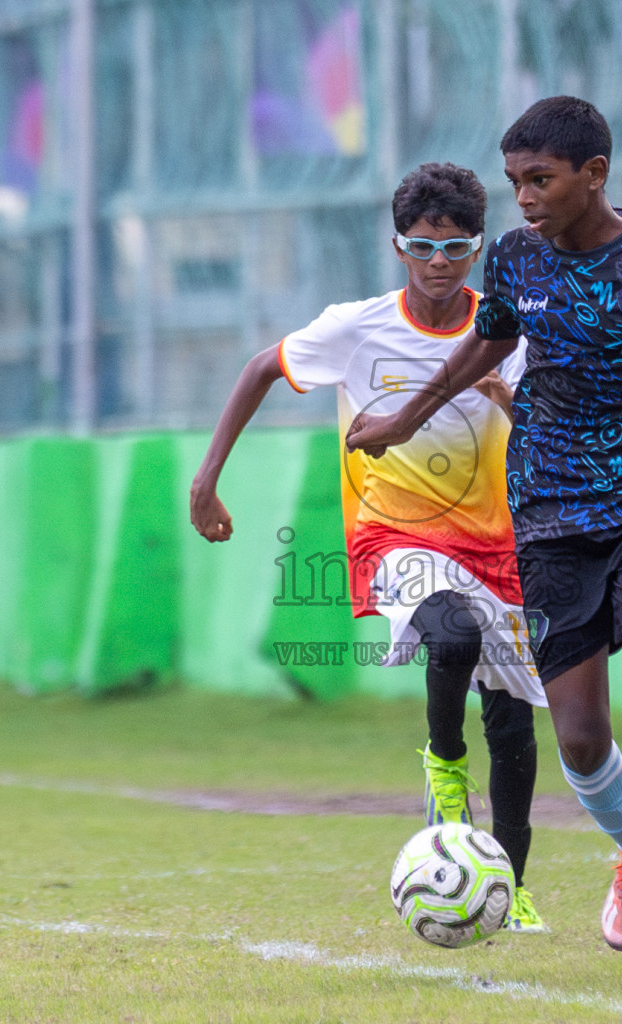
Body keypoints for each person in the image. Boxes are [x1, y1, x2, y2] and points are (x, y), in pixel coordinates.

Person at [347, 96, 622, 980]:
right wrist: (406, 416)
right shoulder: (514, 257)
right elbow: (489, 340)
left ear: (595, 174)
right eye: (514, 181)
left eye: (538, 180)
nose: (523, 198)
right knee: (581, 738)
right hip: (546, 518)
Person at [189, 163, 549, 934]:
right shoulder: (357, 327)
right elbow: (262, 369)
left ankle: (507, 888)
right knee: (450, 631)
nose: (440, 262)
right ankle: (443, 761)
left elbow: (552, 431)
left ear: (477, 248)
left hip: (497, 541)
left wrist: (503, 395)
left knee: (513, 722)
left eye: (456, 246)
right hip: (395, 535)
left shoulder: (506, 330)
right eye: (423, 246)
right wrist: (207, 479)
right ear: (398, 247)